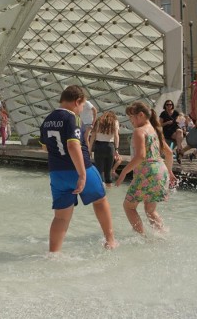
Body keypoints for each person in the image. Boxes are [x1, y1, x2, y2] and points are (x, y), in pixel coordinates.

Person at [39, 85, 117, 252]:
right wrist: (82, 175)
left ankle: (54, 253)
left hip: (57, 173)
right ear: (77, 101)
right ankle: (110, 240)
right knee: (100, 201)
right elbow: (73, 145)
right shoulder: (73, 118)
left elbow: (45, 148)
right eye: (82, 105)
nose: (82, 109)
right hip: (80, 169)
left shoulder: (47, 120)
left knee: (60, 217)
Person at [116, 101, 177, 236]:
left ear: (141, 115)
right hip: (161, 171)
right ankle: (163, 235)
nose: (130, 121)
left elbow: (141, 156)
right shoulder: (155, 131)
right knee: (150, 210)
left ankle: (141, 237)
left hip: (147, 172)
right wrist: (170, 172)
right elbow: (169, 153)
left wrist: (124, 172)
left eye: (131, 117)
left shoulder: (139, 131)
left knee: (129, 206)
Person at [89, 111, 120, 187]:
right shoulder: (115, 122)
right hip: (110, 146)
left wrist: (89, 149)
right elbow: (116, 136)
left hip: (99, 146)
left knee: (99, 170)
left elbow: (93, 136)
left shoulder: (99, 121)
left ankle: (100, 190)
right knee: (108, 171)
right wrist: (116, 149)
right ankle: (109, 189)